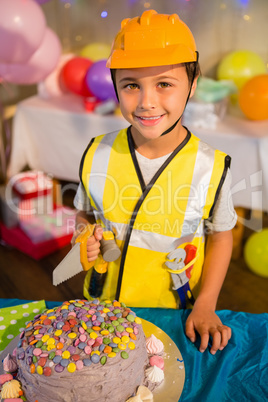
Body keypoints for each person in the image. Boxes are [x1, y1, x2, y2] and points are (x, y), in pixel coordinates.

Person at [72, 10, 237, 355]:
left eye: (164, 84)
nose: (146, 102)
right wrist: (83, 237)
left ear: (192, 86)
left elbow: (221, 234)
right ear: (115, 87)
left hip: (170, 309)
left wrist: (206, 304)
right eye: (131, 85)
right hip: (103, 304)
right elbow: (85, 215)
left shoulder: (209, 166)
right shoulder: (97, 154)